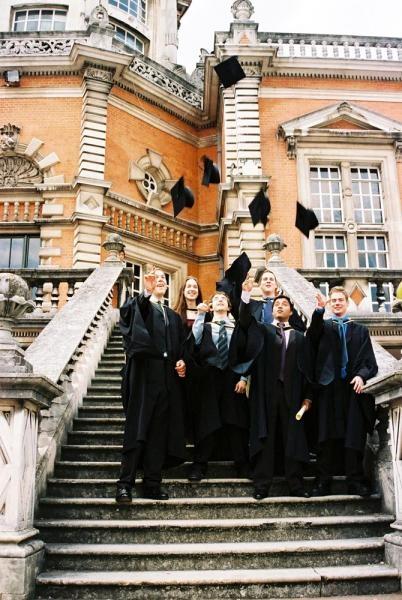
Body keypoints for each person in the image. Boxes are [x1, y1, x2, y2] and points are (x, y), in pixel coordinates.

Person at [116, 267, 187, 503]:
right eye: (154, 280)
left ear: (167, 286)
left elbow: (181, 346)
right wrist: (145, 294)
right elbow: (130, 316)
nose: (159, 282)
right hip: (145, 376)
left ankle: (152, 484)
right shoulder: (143, 306)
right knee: (137, 430)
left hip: (167, 380)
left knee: (159, 433)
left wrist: (181, 361)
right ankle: (125, 485)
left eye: (162, 280)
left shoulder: (173, 316)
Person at [240, 277, 312, 500]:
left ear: (291, 312)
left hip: (293, 393)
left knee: (293, 438)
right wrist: (245, 296)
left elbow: (308, 368)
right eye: (276, 305)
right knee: (266, 438)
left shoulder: (299, 337)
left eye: (284, 305)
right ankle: (262, 485)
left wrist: (308, 397)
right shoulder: (263, 331)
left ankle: (296, 485)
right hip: (266, 394)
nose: (280, 306)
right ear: (271, 310)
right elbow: (244, 322)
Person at [306, 287, 378, 497]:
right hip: (328, 388)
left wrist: (361, 375)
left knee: (353, 435)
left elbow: (369, 361)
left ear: (347, 303)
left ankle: (355, 481)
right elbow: (311, 337)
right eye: (333, 300)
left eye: (340, 300)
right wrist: (318, 311)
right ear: (329, 304)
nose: (337, 303)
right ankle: (323, 481)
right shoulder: (324, 327)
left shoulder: (360, 330)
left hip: (352, 389)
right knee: (325, 435)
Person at [187, 291, 250, 480]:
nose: (220, 300)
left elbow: (246, 353)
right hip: (209, 378)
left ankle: (242, 464)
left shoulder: (238, 328)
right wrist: (200, 314)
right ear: (211, 307)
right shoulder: (205, 326)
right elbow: (195, 342)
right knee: (207, 420)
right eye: (216, 299)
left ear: (229, 307)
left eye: (224, 299)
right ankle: (199, 464)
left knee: (236, 421)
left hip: (233, 378)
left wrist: (244, 378)